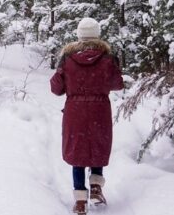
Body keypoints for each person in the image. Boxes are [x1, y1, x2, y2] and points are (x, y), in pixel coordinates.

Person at [50, 18, 125, 214]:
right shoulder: (108, 57)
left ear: (79, 35)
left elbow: (56, 89)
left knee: (78, 151)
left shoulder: (67, 58)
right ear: (97, 35)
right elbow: (118, 84)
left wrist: (61, 70)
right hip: (99, 110)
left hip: (75, 111)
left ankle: (80, 201)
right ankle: (96, 187)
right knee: (98, 145)